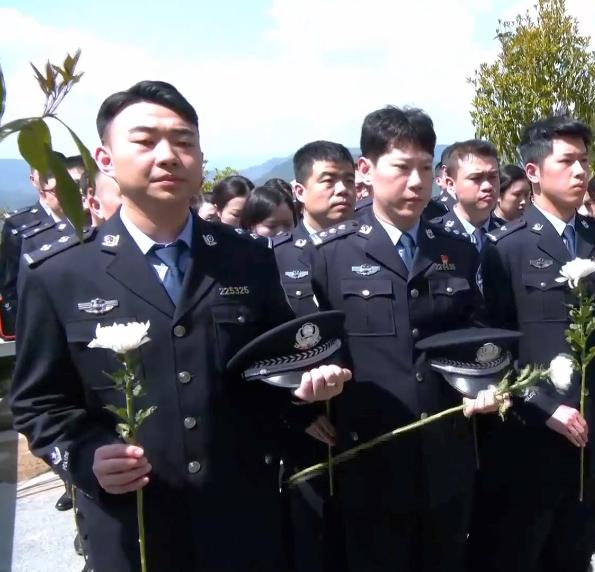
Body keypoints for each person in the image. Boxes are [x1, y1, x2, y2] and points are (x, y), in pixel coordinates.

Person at [9, 80, 350, 572]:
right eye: (145, 141)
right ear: (106, 159)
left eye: (183, 141)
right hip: (133, 528)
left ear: (201, 158)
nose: (168, 156)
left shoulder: (247, 259)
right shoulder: (61, 272)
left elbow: (273, 370)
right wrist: (84, 457)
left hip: (241, 523)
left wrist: (304, 392)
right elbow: (38, 403)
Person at [309, 106, 503, 572]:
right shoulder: (332, 254)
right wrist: (305, 410)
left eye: (425, 168)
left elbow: (478, 334)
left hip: (446, 456)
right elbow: (312, 345)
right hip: (371, 460)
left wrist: (486, 383)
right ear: (366, 169)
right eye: (401, 167)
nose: (416, 182)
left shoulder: (456, 250)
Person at [466, 116, 595, 572]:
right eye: (568, 161)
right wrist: (543, 406)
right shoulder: (505, 248)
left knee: (576, 547)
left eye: (585, 161)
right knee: (522, 547)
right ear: (533, 172)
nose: (581, 171)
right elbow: (494, 348)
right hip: (532, 430)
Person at [273, 140, 357, 572]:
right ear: (300, 191)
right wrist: (296, 414)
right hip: (307, 428)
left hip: (366, 418)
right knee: (314, 542)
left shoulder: (371, 249)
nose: (343, 189)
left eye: (349, 180)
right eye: (329, 180)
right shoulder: (274, 257)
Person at [0, 152, 71, 339]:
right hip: (38, 326)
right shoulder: (18, 224)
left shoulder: (88, 217)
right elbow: (9, 284)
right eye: (46, 174)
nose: (54, 181)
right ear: (33, 180)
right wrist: (20, 330)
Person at [432, 140, 500, 249]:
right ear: (451, 183)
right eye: (475, 178)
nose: (487, 186)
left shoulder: (511, 236)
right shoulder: (433, 237)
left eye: (493, 176)